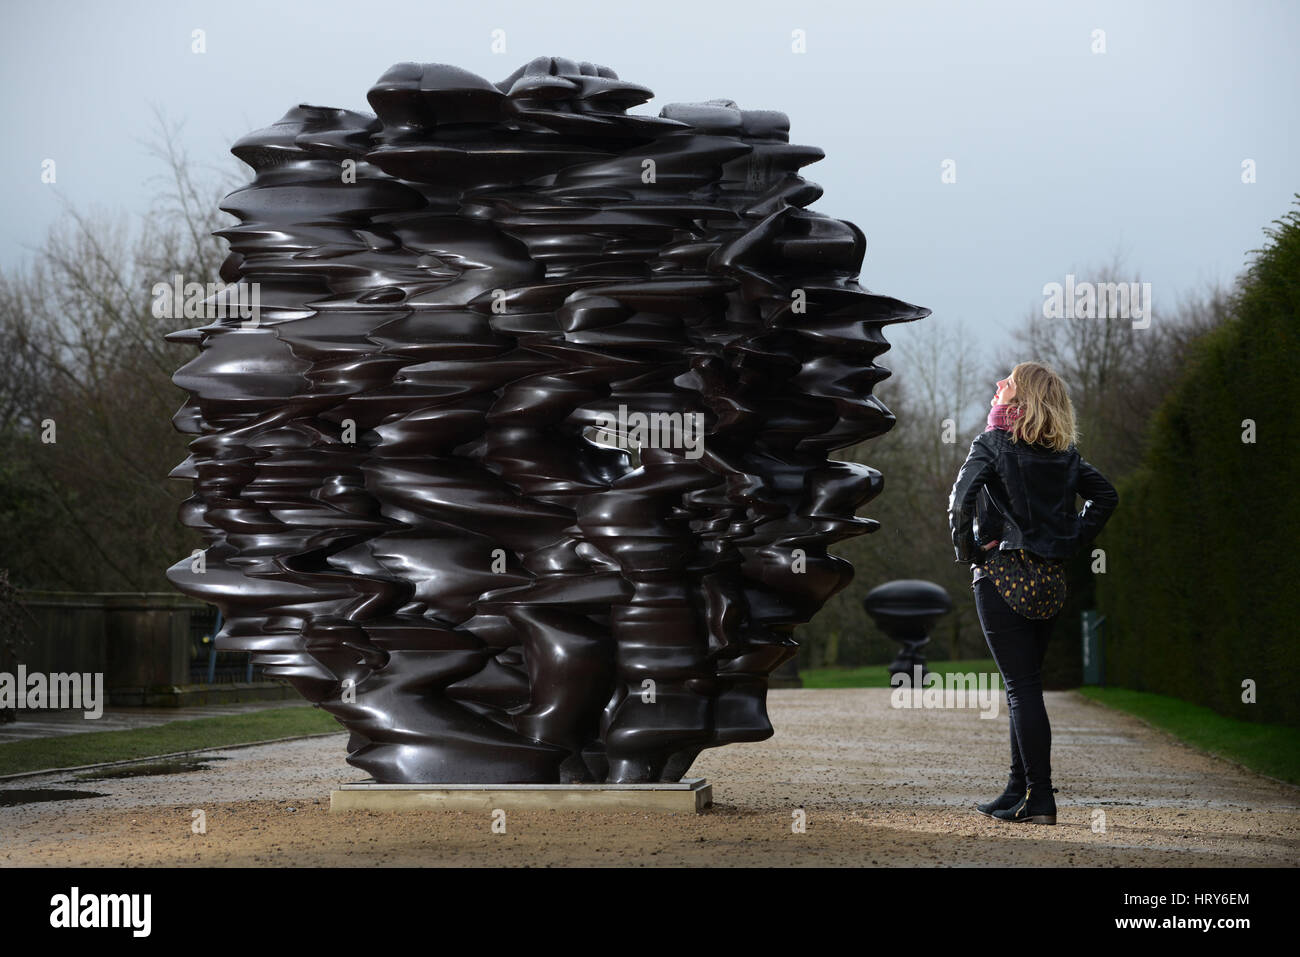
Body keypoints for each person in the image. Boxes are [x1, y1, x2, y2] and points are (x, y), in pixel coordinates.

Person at [947, 361, 1118, 825]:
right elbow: (1106, 496)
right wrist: (1071, 540)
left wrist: (972, 555)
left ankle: (1041, 799)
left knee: (1022, 690)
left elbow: (960, 501)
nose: (998, 384)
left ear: (1020, 401)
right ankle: (1016, 789)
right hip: (1050, 580)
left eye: (1008, 382)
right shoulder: (1064, 453)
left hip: (1002, 576)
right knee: (1023, 687)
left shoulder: (993, 443)